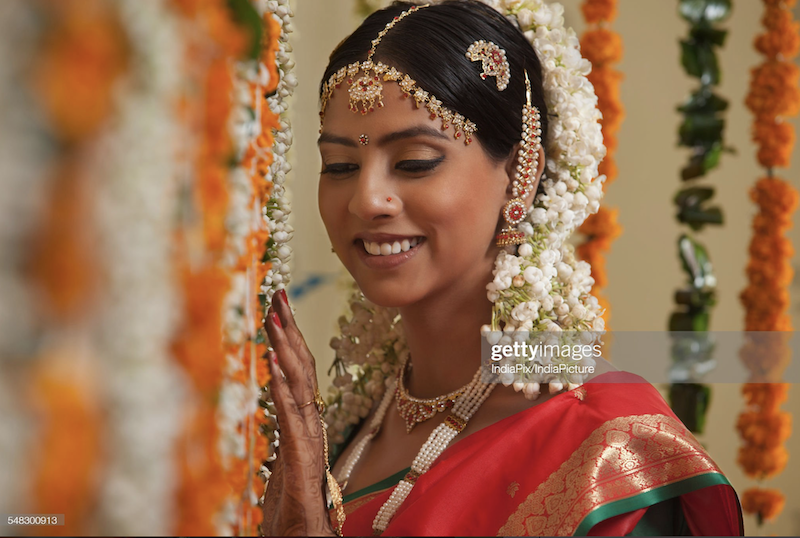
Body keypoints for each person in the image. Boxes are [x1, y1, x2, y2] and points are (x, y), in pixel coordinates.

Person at [260, 1, 744, 535]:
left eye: (415, 162)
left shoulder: (605, 452)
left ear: (521, 172)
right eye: (341, 166)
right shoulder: (348, 424)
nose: (365, 200)